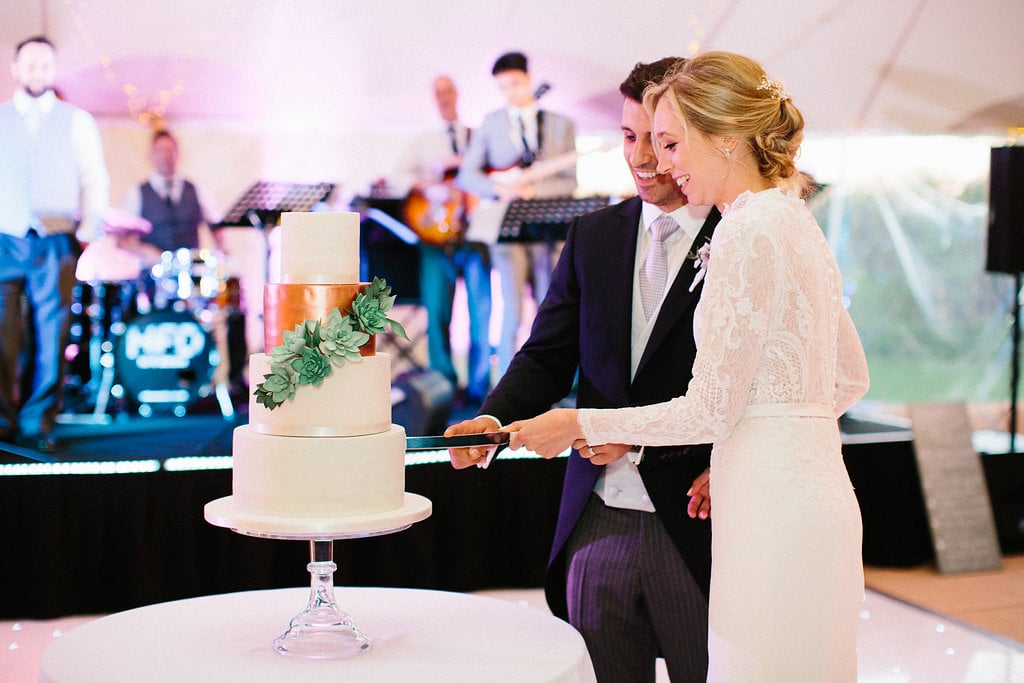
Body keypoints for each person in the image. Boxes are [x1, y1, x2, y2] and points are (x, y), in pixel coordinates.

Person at [503, 51, 871, 681]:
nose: (659, 161)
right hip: (812, 497)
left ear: (725, 140)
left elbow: (711, 406)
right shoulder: (793, 218)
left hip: (758, 509)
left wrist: (577, 425)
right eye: (641, 139)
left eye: (671, 143)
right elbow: (848, 378)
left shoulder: (743, 231)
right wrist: (759, 444)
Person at [446, 57, 721, 682]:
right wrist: (492, 417)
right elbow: (547, 355)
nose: (643, 158)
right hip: (596, 516)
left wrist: (727, 461)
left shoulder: (742, 231)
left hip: (699, 517)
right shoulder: (593, 235)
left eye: (659, 138)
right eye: (629, 136)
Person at [0, 36, 109, 451]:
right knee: (2, 333)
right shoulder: (1, 116)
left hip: (55, 237)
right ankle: (1, 419)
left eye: (45, 65)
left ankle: (36, 422)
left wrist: (87, 231)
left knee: (52, 332)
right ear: (15, 68)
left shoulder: (76, 119)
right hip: (3, 237)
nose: (37, 72)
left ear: (53, 70)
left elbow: (94, 177)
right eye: (29, 64)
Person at [455, 51, 577, 377]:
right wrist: (500, 189)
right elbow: (467, 175)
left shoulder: (560, 124)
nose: (510, 92)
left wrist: (534, 191)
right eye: (503, 86)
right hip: (506, 227)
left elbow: (570, 180)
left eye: (515, 83)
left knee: (549, 307)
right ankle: (504, 387)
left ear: (528, 79)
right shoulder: (491, 123)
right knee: (511, 309)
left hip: (548, 228)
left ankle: (551, 382)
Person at [402, 75, 492, 405]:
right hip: (435, 238)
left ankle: (480, 387)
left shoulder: (477, 137)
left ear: (457, 94)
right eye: (437, 93)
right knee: (437, 311)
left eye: (447, 92)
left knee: (481, 313)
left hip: (474, 236)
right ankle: (443, 383)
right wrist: (428, 185)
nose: (443, 98)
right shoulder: (423, 141)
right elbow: (397, 177)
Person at [121, 129, 219, 258]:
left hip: (190, 271)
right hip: (151, 274)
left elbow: (216, 227)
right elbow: (122, 241)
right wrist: (147, 251)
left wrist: (224, 255)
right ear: (151, 155)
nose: (165, 155)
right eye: (159, 151)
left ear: (178, 154)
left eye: (169, 150)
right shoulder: (135, 193)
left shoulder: (197, 190)